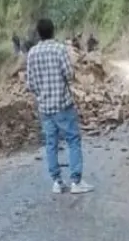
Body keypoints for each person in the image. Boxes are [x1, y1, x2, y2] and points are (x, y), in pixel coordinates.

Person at [25, 18, 94, 195]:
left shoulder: (32, 53)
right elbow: (69, 74)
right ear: (53, 31)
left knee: (51, 143)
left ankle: (57, 181)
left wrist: (42, 92)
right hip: (62, 104)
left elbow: (30, 84)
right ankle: (76, 182)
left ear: (39, 34)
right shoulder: (59, 49)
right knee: (73, 140)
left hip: (45, 107)